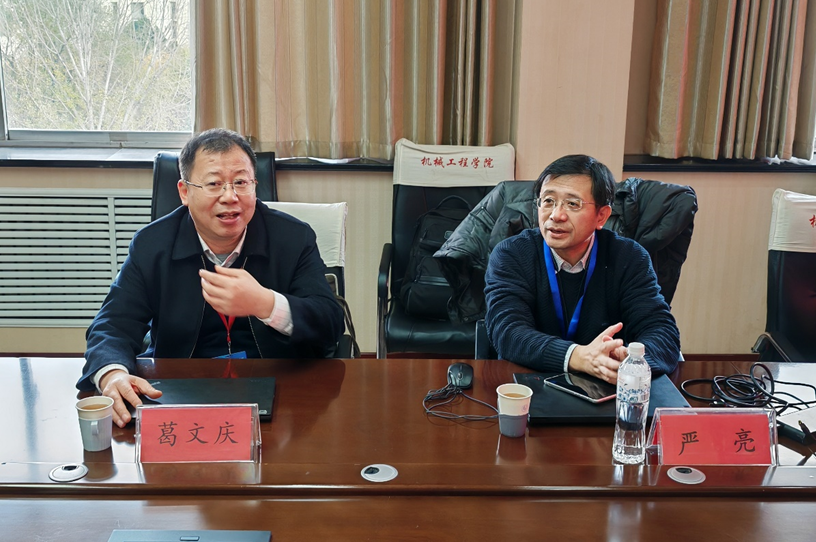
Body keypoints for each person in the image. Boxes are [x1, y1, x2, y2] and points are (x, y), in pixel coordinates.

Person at [78, 128, 345, 426]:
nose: (230, 197)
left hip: (281, 392)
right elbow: (112, 324)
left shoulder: (293, 238)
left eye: (241, 182)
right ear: (184, 192)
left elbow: (330, 323)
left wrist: (266, 304)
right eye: (214, 184)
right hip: (180, 391)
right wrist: (113, 373)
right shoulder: (152, 245)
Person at [484, 154, 680, 383]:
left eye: (572, 204)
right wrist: (578, 357)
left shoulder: (629, 258)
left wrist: (629, 359)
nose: (556, 215)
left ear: (601, 216)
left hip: (605, 386)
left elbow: (662, 332)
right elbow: (507, 331)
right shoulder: (512, 254)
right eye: (548, 201)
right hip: (528, 386)